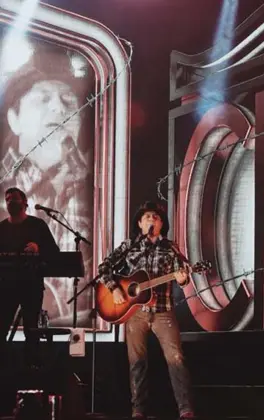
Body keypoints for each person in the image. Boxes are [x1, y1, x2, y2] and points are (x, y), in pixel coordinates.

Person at [0, 45, 94, 326]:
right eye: (43, 98)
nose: (58, 107)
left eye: (68, 98)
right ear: (14, 120)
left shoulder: (94, 190)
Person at [97, 201, 194, 420]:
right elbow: (104, 268)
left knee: (176, 359)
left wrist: (184, 277)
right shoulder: (130, 245)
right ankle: (137, 410)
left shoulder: (171, 248)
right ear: (140, 223)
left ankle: (185, 409)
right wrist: (114, 289)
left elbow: (183, 277)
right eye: (148, 217)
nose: (152, 220)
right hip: (135, 312)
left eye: (157, 218)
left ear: (162, 224)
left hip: (163, 310)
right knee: (137, 362)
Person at [0, 187, 60, 368]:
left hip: (31, 285)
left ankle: (31, 365)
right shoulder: (2, 228)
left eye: (14, 199)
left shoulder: (37, 226)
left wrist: (38, 248)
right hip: (5, 286)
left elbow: (53, 253)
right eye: (7, 199)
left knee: (31, 329)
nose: (10, 202)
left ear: (25, 203)